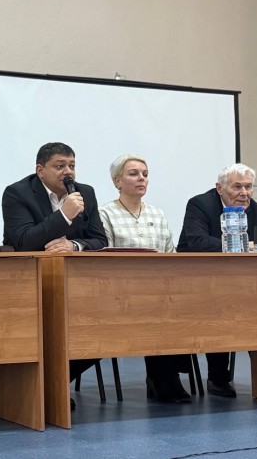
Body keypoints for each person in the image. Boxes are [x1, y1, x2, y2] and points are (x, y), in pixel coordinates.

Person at [1, 142, 107, 398]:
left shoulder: (85, 193)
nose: (68, 172)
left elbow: (99, 240)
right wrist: (64, 215)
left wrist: (74, 245)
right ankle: (46, 389)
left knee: (102, 328)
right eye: (60, 166)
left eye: (72, 165)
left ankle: (54, 384)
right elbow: (23, 241)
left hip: (75, 286)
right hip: (30, 285)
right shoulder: (17, 193)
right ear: (40, 170)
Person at [177, 163, 257, 397]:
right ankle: (218, 376)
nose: (244, 193)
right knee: (219, 307)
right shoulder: (200, 205)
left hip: (243, 283)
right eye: (237, 187)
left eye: (248, 187)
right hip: (196, 279)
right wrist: (246, 245)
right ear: (219, 188)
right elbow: (198, 242)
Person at [99, 154, 190, 403]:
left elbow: (170, 254)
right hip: (122, 291)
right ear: (117, 181)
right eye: (133, 174)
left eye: (145, 174)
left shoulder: (157, 214)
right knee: (157, 310)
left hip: (160, 290)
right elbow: (104, 258)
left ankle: (166, 377)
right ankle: (164, 379)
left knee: (177, 307)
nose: (142, 178)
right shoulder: (105, 213)